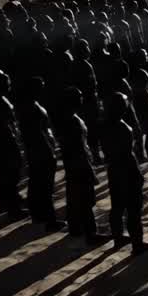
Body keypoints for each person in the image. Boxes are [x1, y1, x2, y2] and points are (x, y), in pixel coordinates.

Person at [104, 93, 148, 252]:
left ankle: (118, 238)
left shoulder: (106, 125)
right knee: (133, 209)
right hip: (126, 171)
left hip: (114, 171)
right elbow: (127, 154)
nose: (126, 107)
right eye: (124, 104)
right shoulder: (121, 127)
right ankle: (137, 243)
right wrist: (137, 174)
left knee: (117, 206)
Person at [58, 86, 100, 240]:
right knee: (86, 199)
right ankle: (91, 232)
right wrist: (89, 169)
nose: (82, 97)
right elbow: (80, 148)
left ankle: (75, 227)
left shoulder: (66, 119)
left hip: (72, 164)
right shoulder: (74, 122)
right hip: (80, 165)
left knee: (74, 196)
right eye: (79, 96)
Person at [20, 77, 61, 230]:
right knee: (45, 186)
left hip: (37, 151)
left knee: (36, 183)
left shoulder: (29, 105)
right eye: (40, 87)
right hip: (41, 151)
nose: (43, 89)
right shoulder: (31, 108)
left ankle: (37, 214)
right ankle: (49, 219)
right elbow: (38, 133)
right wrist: (50, 152)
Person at [0, 69, 24, 218]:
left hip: (2, 140)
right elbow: (4, 124)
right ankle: (12, 207)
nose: (8, 81)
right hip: (6, 140)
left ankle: (4, 200)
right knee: (10, 172)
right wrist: (14, 139)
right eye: (5, 80)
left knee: (3, 171)